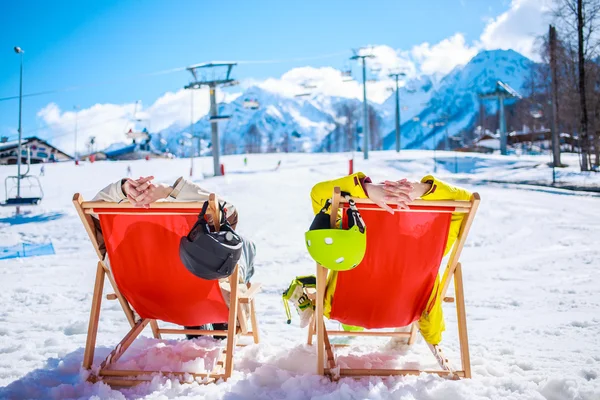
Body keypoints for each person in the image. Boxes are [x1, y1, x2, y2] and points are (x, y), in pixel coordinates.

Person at [310, 172, 472, 344]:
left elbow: (318, 193)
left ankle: (352, 327)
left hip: (343, 306)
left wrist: (365, 189)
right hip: (411, 310)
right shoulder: (431, 244)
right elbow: (468, 199)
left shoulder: (350, 236)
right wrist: (424, 189)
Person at [91, 176, 257, 339]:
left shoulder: (120, 251)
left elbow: (94, 208)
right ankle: (221, 322)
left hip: (151, 302)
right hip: (209, 301)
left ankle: (195, 324)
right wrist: (169, 192)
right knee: (243, 246)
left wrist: (123, 190)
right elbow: (229, 212)